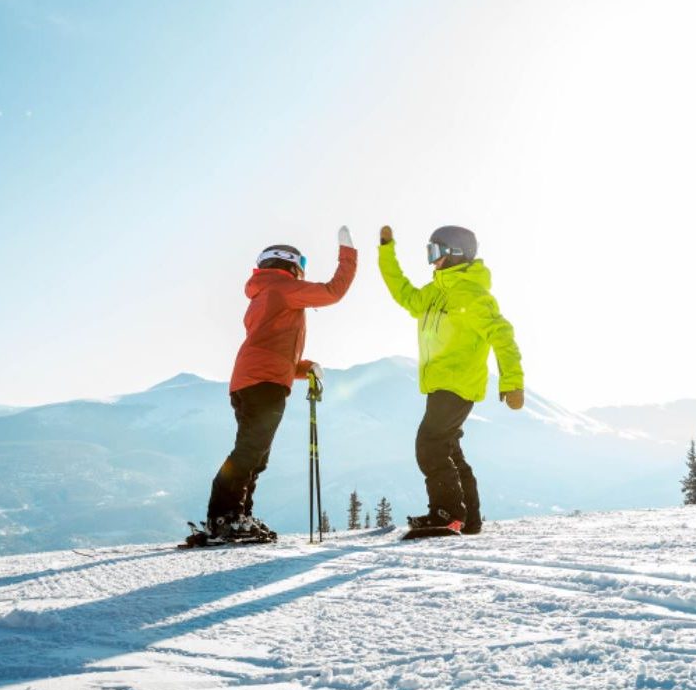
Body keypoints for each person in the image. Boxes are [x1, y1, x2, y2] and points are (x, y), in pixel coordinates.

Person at [205, 227, 357, 539]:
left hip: (251, 378)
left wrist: (306, 367)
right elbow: (333, 292)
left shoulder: (265, 291)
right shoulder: (282, 286)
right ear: (290, 265)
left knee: (256, 454)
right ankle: (223, 518)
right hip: (264, 381)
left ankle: (238, 516)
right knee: (250, 451)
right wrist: (348, 255)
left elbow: (272, 348)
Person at [378, 224, 523, 534]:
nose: (431, 261)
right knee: (448, 448)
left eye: (435, 252)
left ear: (455, 253)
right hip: (440, 384)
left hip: (457, 383)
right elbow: (403, 293)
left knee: (429, 445)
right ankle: (468, 519)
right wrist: (386, 252)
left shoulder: (472, 294)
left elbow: (502, 334)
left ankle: (447, 513)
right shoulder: (435, 292)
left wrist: (512, 381)